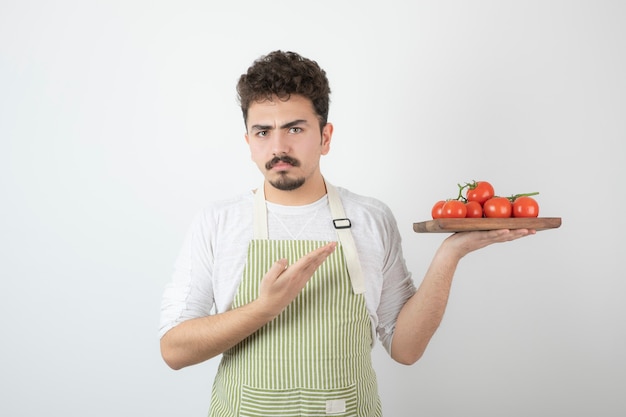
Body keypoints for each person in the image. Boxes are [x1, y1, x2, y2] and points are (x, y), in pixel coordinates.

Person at [159, 50, 534, 416]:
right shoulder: (218, 221)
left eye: (295, 128)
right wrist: (265, 308)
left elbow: (405, 349)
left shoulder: (370, 218)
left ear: (325, 137)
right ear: (249, 143)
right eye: (263, 132)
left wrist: (450, 254)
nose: (278, 147)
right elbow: (174, 351)